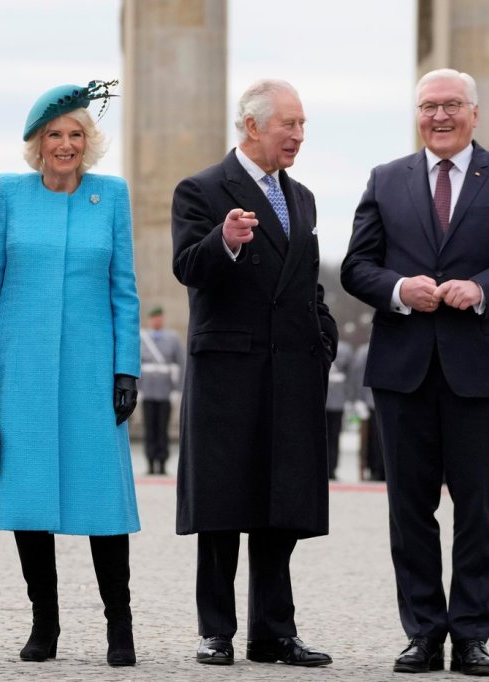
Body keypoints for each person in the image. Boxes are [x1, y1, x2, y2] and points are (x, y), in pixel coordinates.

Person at [340, 68, 489, 676]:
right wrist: (399, 289)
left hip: (479, 369)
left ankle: (471, 636)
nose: (440, 116)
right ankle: (423, 634)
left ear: (474, 113)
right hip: (402, 370)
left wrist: (483, 289)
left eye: (452, 105)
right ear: (417, 114)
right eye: (429, 106)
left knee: (479, 510)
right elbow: (357, 266)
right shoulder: (385, 179)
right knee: (409, 510)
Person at [0, 80, 140, 667]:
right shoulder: (11, 194)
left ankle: (120, 626)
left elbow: (124, 290)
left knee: (103, 499)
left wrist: (127, 370)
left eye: (75, 135)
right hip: (22, 369)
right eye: (54, 135)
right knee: (30, 493)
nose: (66, 145)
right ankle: (45, 623)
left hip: (92, 370)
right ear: (37, 144)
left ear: (88, 142)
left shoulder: (111, 196)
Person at [171, 78, 337, 668]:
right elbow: (188, 268)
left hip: (291, 370)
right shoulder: (201, 189)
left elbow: (306, 281)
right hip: (228, 372)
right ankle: (215, 630)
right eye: (288, 124)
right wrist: (226, 241)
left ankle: (274, 632)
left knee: (280, 506)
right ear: (251, 126)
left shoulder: (304, 197)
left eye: (302, 124)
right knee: (222, 507)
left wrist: (324, 335)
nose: (298, 135)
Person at [138, 306, 184, 475]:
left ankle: (162, 461)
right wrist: (138, 388)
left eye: (159, 318)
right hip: (148, 390)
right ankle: (150, 461)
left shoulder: (173, 338)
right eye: (154, 318)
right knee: (149, 428)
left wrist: (177, 389)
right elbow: (137, 364)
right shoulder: (142, 339)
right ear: (150, 320)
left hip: (165, 391)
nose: (157, 321)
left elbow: (181, 363)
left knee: (163, 428)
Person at [349, 340, 385, 481]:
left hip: (381, 399)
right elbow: (358, 377)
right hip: (371, 401)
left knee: (380, 440)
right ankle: (376, 470)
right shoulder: (365, 351)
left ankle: (381, 470)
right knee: (374, 440)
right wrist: (359, 399)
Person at [325, 337, 354, 480]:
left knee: (332, 436)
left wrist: (350, 398)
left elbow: (351, 376)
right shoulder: (345, 349)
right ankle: (329, 468)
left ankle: (331, 468)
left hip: (335, 400)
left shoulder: (345, 349)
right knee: (331, 436)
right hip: (332, 399)